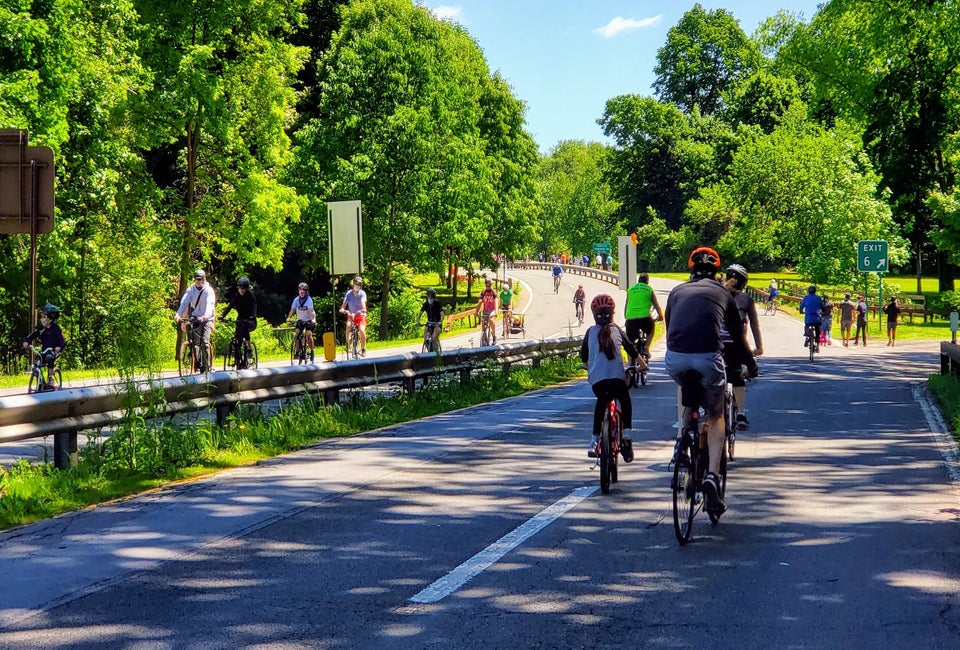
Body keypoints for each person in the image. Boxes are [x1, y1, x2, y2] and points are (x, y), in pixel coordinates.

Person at [665, 247, 756, 516]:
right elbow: (738, 339)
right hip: (709, 358)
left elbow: (670, 326)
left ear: (690, 270)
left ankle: (682, 443)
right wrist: (751, 364)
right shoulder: (724, 294)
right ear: (717, 272)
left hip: (675, 359)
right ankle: (712, 476)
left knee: (687, 394)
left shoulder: (676, 291)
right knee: (716, 414)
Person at [580, 294, 641, 459]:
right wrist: (642, 366)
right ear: (612, 313)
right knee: (625, 399)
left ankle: (594, 440)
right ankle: (627, 433)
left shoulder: (590, 332)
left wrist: (588, 367)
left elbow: (584, 357)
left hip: (598, 384)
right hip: (617, 381)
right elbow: (632, 350)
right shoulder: (617, 330)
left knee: (601, 402)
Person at [723, 264, 763, 429]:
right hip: (736, 345)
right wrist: (759, 347)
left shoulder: (717, 294)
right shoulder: (746, 299)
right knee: (738, 377)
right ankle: (740, 414)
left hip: (714, 344)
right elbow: (754, 325)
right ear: (744, 283)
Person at [176, 269, 217, 372]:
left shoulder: (208, 291)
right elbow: (184, 302)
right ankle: (197, 362)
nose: (197, 281)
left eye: (199, 279)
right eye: (196, 279)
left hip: (206, 318)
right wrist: (178, 314)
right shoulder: (191, 290)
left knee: (204, 341)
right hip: (195, 317)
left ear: (204, 280)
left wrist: (206, 316)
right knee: (193, 341)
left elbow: (209, 304)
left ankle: (208, 366)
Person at [23, 303, 67, 389]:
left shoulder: (56, 329)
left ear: (50, 319)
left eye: (43, 317)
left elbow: (63, 341)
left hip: (52, 351)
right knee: (38, 361)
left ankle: (51, 378)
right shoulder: (41, 328)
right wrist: (26, 341)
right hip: (44, 351)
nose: (41, 319)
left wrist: (59, 347)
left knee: (50, 358)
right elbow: (33, 335)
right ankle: (39, 380)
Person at [624, 272, 665, 361]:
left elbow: (626, 306)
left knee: (629, 342)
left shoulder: (630, 290)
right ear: (647, 281)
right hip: (644, 318)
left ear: (638, 281)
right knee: (651, 328)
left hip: (631, 318)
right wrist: (661, 317)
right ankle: (646, 348)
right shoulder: (649, 290)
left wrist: (626, 316)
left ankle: (629, 362)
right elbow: (656, 305)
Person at [219, 277, 257, 368]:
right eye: (239, 288)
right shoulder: (237, 296)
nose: (241, 290)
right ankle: (237, 359)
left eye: (243, 288)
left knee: (244, 327)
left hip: (250, 320)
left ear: (247, 288)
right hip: (240, 319)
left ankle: (248, 349)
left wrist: (253, 316)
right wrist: (222, 316)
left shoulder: (250, 296)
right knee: (237, 339)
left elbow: (254, 306)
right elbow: (230, 306)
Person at [288, 282, 317, 361]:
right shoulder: (296, 300)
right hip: (300, 319)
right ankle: (297, 352)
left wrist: (310, 321)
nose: (301, 293)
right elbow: (293, 309)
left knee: (308, 334)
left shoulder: (309, 300)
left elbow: (310, 311)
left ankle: (312, 351)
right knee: (297, 333)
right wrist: (289, 317)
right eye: (300, 291)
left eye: (303, 291)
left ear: (306, 292)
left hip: (310, 319)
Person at [340, 276, 369, 357]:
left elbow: (363, 302)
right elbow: (344, 304)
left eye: (359, 284)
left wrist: (363, 309)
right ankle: (347, 345)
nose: (357, 286)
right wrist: (343, 309)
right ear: (353, 284)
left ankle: (363, 348)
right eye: (356, 284)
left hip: (360, 315)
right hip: (351, 315)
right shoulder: (349, 293)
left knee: (362, 330)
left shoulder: (362, 293)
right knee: (348, 326)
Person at [798, 285, 824, 351]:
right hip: (817, 318)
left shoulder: (806, 297)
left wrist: (801, 311)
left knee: (807, 325)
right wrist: (823, 312)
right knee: (818, 331)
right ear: (815, 291)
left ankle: (807, 336)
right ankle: (818, 346)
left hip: (809, 317)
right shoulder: (818, 298)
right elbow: (822, 307)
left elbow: (801, 306)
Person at [475, 278, 498, 344]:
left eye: (489, 285)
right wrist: (476, 312)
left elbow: (496, 302)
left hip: (492, 310)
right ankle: (484, 338)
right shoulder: (483, 292)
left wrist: (496, 312)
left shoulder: (493, 292)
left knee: (491, 320)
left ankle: (494, 337)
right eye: (487, 285)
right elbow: (479, 303)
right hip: (485, 310)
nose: (488, 287)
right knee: (483, 324)